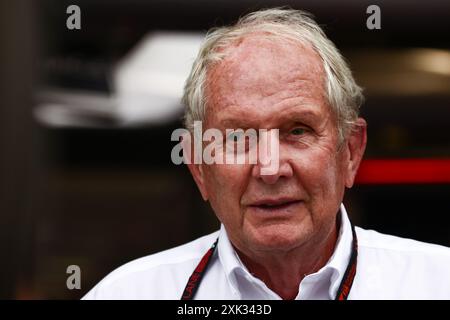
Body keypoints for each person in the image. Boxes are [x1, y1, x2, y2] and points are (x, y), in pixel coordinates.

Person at [83, 8, 450, 300]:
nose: (270, 169)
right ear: (198, 166)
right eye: (239, 138)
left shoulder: (438, 284)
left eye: (297, 131)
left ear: (350, 152)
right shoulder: (127, 293)